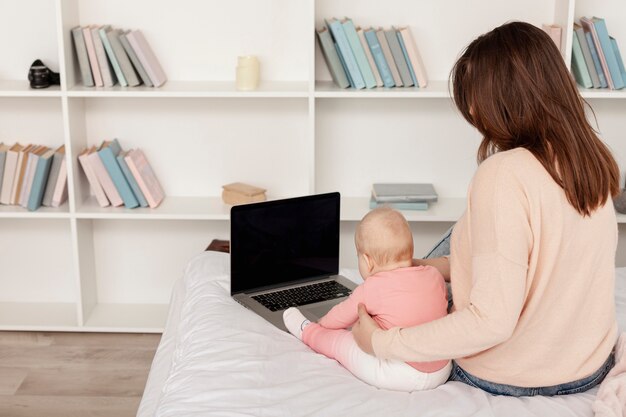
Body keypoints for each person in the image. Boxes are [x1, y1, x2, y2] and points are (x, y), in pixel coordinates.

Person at [351, 21, 621, 397]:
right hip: (589, 364)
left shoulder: (503, 175)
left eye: (475, 96)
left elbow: (490, 322)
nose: (473, 111)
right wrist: (427, 267)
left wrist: (380, 342)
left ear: (506, 97)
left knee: (385, 309)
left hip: (517, 374)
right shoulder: (588, 160)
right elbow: (538, 260)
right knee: (459, 238)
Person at [283, 206, 451, 391]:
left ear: (367, 261)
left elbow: (339, 317)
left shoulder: (372, 287)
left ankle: (307, 331)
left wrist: (322, 324)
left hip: (401, 373)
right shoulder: (434, 275)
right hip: (441, 368)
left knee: (343, 343)